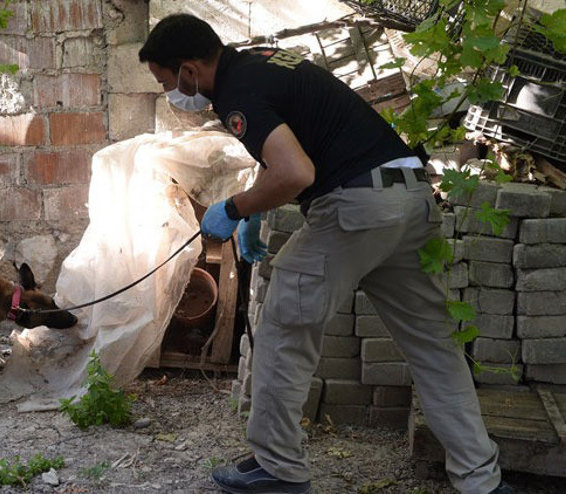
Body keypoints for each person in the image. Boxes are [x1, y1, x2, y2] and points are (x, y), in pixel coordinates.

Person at [139, 13, 512, 494]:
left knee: (282, 325)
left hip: (356, 208)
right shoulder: (262, 62)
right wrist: (257, 207)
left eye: (168, 81)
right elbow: (292, 145)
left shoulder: (236, 93)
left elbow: (296, 172)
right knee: (434, 348)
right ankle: (482, 481)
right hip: (410, 198)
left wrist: (234, 206)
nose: (173, 93)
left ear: (190, 69)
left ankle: (277, 468)